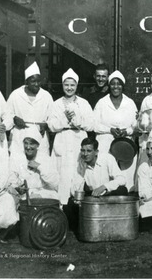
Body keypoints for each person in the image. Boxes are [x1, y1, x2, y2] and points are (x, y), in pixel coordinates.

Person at [47, 68, 94, 205]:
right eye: (66, 85)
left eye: (72, 85)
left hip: (78, 139)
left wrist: (77, 122)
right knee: (62, 174)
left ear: (76, 86)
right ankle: (62, 206)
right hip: (62, 139)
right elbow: (51, 125)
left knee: (78, 173)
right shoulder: (56, 104)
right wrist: (65, 120)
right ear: (62, 85)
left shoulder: (84, 103)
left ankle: (78, 205)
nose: (69, 88)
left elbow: (91, 124)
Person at [93, 70, 138, 192]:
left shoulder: (130, 103)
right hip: (105, 142)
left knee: (126, 174)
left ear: (123, 86)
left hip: (125, 144)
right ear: (109, 85)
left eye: (118, 84)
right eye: (113, 83)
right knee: (106, 172)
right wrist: (109, 130)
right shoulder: (102, 103)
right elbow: (94, 124)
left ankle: (126, 196)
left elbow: (135, 125)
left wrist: (126, 131)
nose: (115, 87)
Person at [7, 61, 53, 156]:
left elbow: (52, 117)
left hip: (40, 136)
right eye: (33, 81)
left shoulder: (46, 96)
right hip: (20, 134)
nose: (36, 84)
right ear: (26, 81)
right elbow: (7, 113)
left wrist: (46, 125)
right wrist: (14, 118)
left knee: (40, 165)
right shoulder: (16, 94)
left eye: (38, 81)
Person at [7, 127, 59, 202]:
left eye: (31, 144)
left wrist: (39, 167)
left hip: (43, 193)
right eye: (26, 143)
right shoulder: (17, 158)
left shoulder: (45, 158)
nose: (28, 147)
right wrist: (17, 188)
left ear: (37, 145)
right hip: (23, 195)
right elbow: (11, 179)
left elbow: (55, 183)